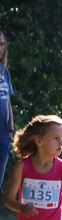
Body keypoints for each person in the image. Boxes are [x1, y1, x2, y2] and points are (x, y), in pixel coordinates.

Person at [0, 30, 15, 183]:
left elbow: (8, 102)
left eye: (2, 44)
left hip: (4, 136)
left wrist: (11, 130)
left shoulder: (5, 72)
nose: (0, 48)